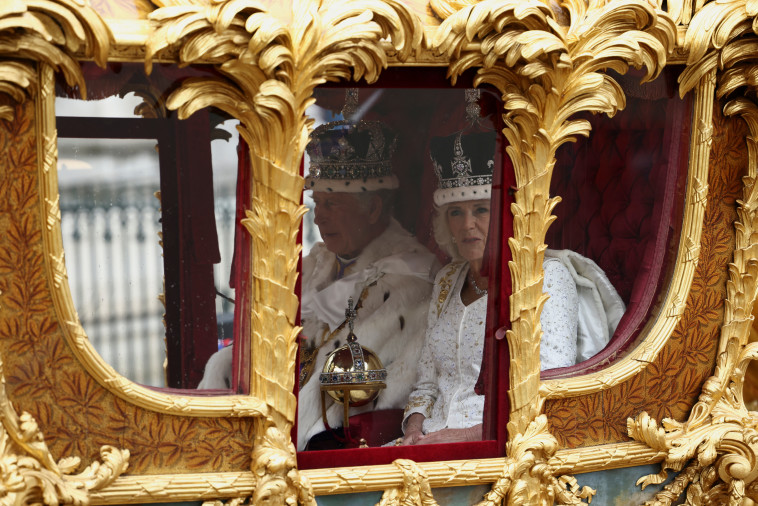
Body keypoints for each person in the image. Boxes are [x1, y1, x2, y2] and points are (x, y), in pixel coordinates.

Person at [402, 129, 625, 446]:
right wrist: (413, 430)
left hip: (499, 450)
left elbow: (547, 394)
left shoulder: (547, 276)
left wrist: (461, 438)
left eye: (480, 209)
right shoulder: (447, 279)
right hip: (428, 442)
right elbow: (426, 383)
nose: (467, 225)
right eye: (456, 212)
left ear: (507, 213)